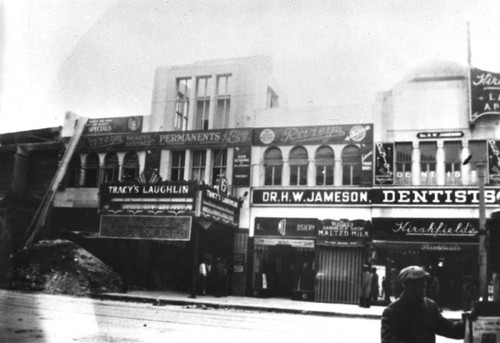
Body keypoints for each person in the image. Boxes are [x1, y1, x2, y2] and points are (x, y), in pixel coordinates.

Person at [381, 266, 464, 343]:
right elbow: (389, 341)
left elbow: (451, 330)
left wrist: (470, 319)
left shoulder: (430, 307)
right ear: (407, 285)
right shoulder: (392, 311)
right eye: (418, 282)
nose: (424, 285)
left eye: (424, 281)